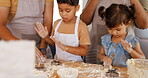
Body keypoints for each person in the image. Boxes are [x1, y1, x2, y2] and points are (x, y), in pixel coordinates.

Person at [80, 0, 148, 64]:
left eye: (118, 29)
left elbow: (144, 25)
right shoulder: (106, 40)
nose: (114, 33)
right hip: (95, 46)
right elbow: (84, 20)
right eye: (110, 29)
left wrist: (130, 50)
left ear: (128, 24)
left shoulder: (132, 41)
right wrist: (104, 58)